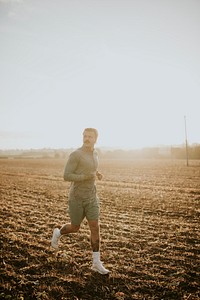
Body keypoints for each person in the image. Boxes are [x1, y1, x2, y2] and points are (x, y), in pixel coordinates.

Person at [51, 128, 109, 275]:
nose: (87, 138)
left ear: (95, 139)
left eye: (90, 136)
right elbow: (66, 175)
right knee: (75, 227)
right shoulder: (76, 154)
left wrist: (97, 174)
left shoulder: (95, 154)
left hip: (91, 197)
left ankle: (96, 263)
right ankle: (58, 232)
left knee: (95, 227)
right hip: (76, 198)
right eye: (85, 136)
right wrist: (85, 176)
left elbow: (92, 170)